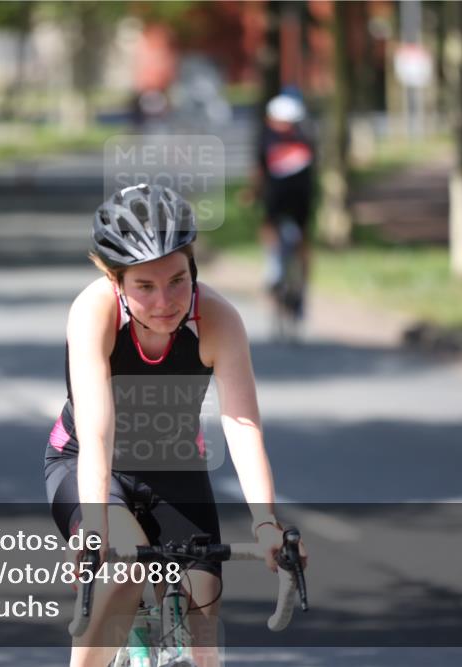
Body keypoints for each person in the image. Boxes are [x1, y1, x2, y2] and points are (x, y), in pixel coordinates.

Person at [44, 184, 307, 667]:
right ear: (114, 278)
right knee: (123, 570)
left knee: (202, 596)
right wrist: (95, 529)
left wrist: (266, 523)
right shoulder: (93, 312)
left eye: (177, 281)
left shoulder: (219, 320)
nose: (164, 301)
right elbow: (98, 431)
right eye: (144, 286)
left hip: (174, 466)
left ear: (194, 268)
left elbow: (241, 423)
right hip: (90, 463)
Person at [253, 93, 316, 332]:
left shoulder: (266, 138)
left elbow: (259, 171)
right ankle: (302, 287)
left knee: (269, 228)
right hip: (302, 198)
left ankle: (273, 272)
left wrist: (253, 193)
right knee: (304, 240)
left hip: (277, 198)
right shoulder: (307, 136)